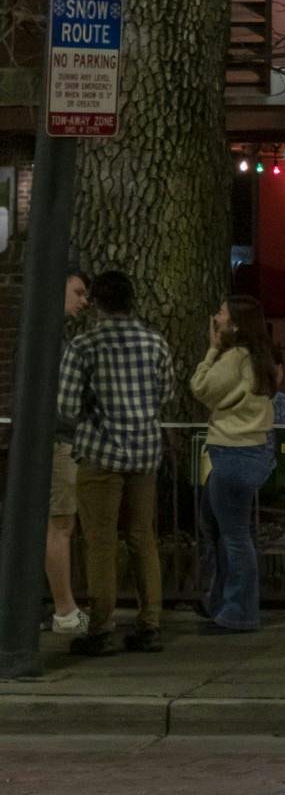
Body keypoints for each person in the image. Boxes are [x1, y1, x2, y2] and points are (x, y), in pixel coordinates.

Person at [56, 270, 173, 656]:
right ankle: (150, 624)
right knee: (143, 538)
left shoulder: (84, 346)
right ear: (131, 300)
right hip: (144, 453)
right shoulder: (154, 342)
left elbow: (66, 405)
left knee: (100, 542)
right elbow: (165, 394)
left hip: (100, 453)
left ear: (97, 303)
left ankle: (101, 628)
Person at [191, 296, 280, 633]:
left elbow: (201, 387)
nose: (216, 317)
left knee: (233, 535)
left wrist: (212, 349)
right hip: (251, 450)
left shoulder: (234, 357)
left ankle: (238, 613)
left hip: (233, 452)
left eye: (222, 313)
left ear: (236, 324)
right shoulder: (259, 358)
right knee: (214, 524)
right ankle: (219, 600)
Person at [46, 271, 92, 635]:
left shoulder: (51, 336)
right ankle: (64, 610)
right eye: (77, 292)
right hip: (59, 439)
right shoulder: (55, 341)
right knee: (61, 524)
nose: (83, 300)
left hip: (55, 437)